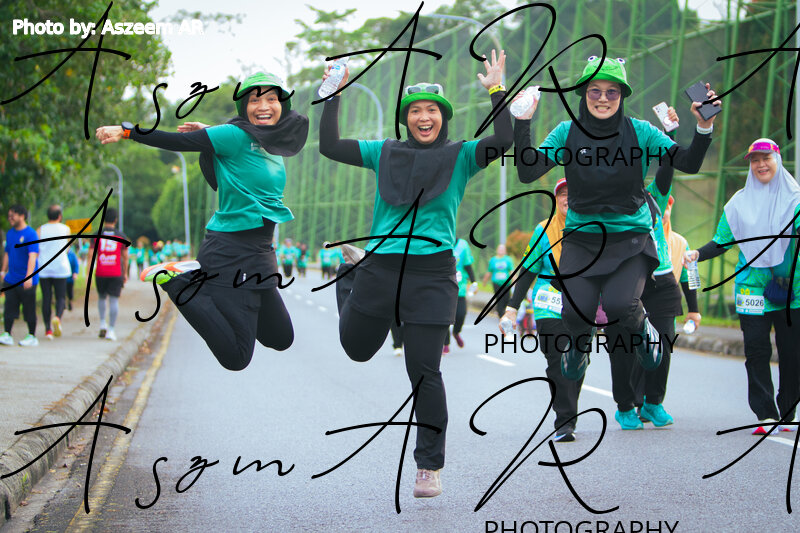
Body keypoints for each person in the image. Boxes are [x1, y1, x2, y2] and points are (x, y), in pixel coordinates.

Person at [318, 50, 512, 498]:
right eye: (415, 111)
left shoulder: (462, 155)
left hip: (432, 274)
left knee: (424, 371)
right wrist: (333, 96)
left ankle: (429, 466)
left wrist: (497, 90)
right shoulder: (383, 152)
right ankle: (349, 273)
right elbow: (330, 146)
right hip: (381, 268)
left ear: (443, 117)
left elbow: (503, 139)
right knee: (357, 349)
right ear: (406, 118)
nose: (424, 117)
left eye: (432, 110)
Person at [513, 55, 718, 382]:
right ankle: (578, 350)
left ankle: (645, 334)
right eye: (595, 91)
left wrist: (704, 124)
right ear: (584, 94)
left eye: (612, 91)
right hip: (582, 239)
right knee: (574, 313)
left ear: (622, 96)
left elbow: (688, 163)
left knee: (620, 306)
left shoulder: (641, 132)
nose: (603, 99)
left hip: (630, 239)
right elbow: (528, 171)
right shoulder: (567, 132)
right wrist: (522, 122)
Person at [96, 72, 308, 370]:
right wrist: (128, 131)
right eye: (254, 100)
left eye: (271, 98)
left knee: (281, 336)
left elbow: (242, 148)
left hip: (260, 252)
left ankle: (193, 278)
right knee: (236, 358)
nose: (263, 106)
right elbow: (176, 140)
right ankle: (178, 282)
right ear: (244, 107)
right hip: (231, 252)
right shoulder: (233, 136)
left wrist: (210, 130)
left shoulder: (271, 141)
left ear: (282, 105)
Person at [685, 138, 800, 435]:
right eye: (755, 160)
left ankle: (787, 411)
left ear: (777, 161)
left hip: (792, 289)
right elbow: (722, 241)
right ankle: (765, 414)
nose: (761, 165)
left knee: (792, 352)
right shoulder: (738, 203)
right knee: (757, 349)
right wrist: (697, 253)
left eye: (766, 159)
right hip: (751, 286)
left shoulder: (795, 200)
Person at [502, 178, 584, 442]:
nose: (567, 198)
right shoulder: (543, 229)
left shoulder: (590, 226)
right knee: (557, 360)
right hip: (549, 302)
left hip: (583, 300)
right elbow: (528, 270)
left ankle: (568, 413)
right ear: (556, 199)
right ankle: (565, 422)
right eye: (562, 194)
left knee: (578, 360)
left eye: (572, 193)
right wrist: (512, 308)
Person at [630, 193, 703, 426]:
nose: (662, 215)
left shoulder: (680, 242)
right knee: (639, 348)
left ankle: (653, 402)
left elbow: (689, 277)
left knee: (662, 348)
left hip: (666, 297)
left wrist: (694, 309)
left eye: (666, 209)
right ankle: (634, 400)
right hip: (638, 295)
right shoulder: (635, 234)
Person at [0, 205, 40, 347]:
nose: (10, 218)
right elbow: (7, 252)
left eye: (13, 216)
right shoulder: (10, 234)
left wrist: (29, 276)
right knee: (9, 308)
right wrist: (3, 271)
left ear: (22, 216)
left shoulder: (31, 234)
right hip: (11, 278)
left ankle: (32, 336)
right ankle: (7, 334)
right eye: (9, 216)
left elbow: (32, 256)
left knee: (29, 309)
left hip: (26, 279)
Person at [88, 207, 129, 341]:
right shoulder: (121, 236)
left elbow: (90, 256)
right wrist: (125, 273)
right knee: (114, 300)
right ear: (116, 220)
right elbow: (125, 257)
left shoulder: (96, 235)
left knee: (101, 297)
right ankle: (111, 330)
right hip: (116, 272)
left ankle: (102, 324)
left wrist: (88, 273)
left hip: (101, 272)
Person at [37, 205, 72, 339]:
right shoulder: (66, 229)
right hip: (60, 267)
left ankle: (48, 330)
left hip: (44, 268)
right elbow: (68, 248)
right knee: (61, 297)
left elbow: (37, 249)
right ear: (60, 216)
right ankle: (57, 317)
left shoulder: (40, 229)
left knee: (46, 297)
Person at [443, 237, 477, 353]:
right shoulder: (441, 241)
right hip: (443, 287)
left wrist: (474, 282)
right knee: (444, 316)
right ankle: (445, 343)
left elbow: (468, 265)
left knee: (461, 314)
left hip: (460, 288)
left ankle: (456, 332)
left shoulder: (463, 245)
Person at [483, 244, 515, 319]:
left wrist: (515, 281)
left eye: (502, 249)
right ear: (497, 250)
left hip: (506, 283)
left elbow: (511, 271)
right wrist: (485, 281)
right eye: (500, 249)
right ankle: (501, 315)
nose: (501, 251)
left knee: (506, 299)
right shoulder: (493, 260)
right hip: (496, 283)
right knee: (499, 298)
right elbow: (489, 271)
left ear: (505, 251)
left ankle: (504, 312)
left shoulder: (508, 260)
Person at [66, 244, 80, 311]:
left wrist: (75, 273)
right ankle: (64, 303)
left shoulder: (72, 255)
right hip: (62, 277)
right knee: (62, 291)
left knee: (69, 291)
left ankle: (70, 301)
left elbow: (76, 265)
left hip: (70, 277)